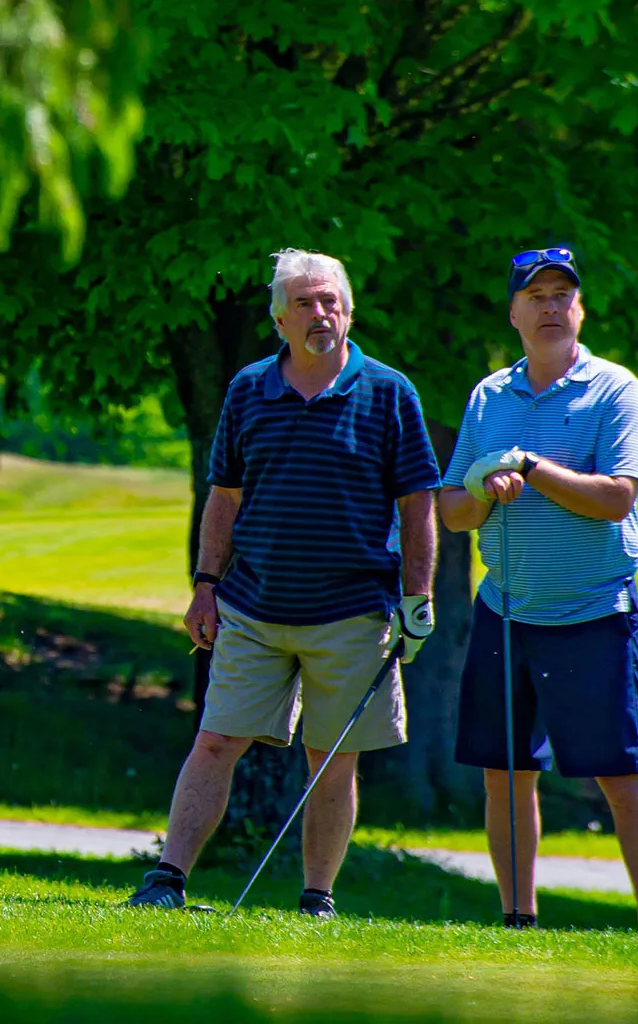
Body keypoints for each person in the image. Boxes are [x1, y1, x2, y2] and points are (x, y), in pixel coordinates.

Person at [125, 250, 439, 917]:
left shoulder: (391, 393)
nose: (320, 313)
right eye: (304, 303)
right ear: (279, 321)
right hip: (253, 606)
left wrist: (419, 599)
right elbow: (224, 497)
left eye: (330, 301)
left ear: (348, 311)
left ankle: (316, 899)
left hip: (353, 610)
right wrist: (205, 584)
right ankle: (166, 881)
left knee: (332, 758)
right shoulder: (247, 390)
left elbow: (418, 505)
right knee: (215, 740)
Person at [438, 247, 638, 931]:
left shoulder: (615, 390)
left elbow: (617, 497)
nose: (550, 307)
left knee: (623, 778)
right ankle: (519, 920)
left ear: (580, 310)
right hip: (506, 611)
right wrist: (487, 487)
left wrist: (531, 467)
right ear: (513, 313)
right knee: (505, 773)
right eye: (534, 296)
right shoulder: (488, 396)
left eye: (561, 295)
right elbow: (454, 511)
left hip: (594, 612)